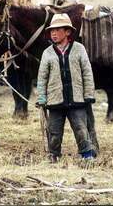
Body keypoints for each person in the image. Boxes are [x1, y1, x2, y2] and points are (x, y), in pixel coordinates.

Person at [36, 13, 96, 162]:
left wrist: (88, 94)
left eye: (58, 30)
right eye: (52, 31)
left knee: (81, 128)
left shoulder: (79, 49)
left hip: (77, 98)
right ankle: (53, 155)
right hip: (55, 100)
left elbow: (87, 73)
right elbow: (42, 78)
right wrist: (42, 97)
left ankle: (87, 155)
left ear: (68, 32)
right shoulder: (47, 53)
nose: (54, 33)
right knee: (54, 131)